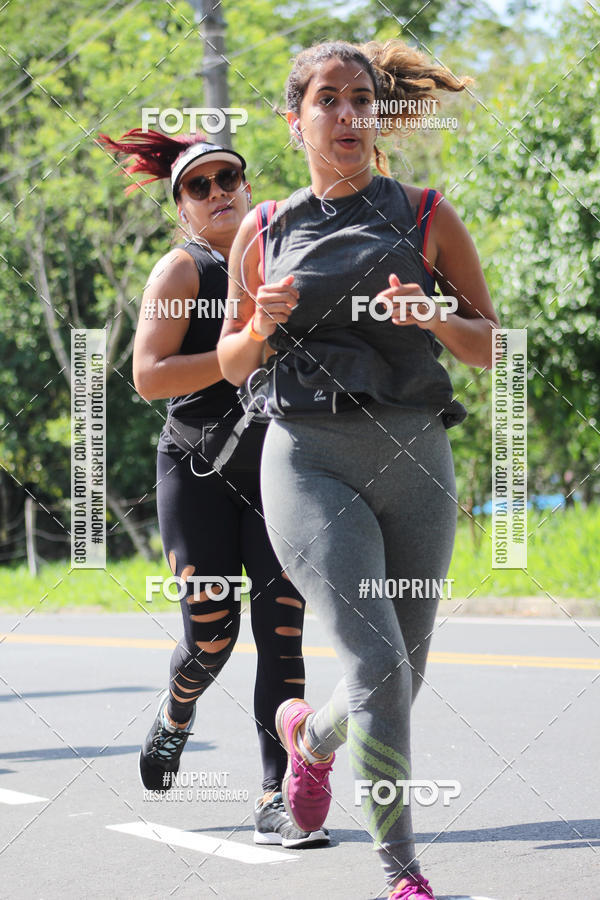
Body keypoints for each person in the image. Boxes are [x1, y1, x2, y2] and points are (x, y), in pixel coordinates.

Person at [217, 39, 500, 899]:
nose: (348, 114)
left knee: (403, 671)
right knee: (377, 667)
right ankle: (402, 873)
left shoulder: (425, 213)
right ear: (296, 117)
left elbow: (495, 349)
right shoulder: (264, 230)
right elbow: (232, 363)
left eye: (362, 98)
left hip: (417, 453)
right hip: (307, 459)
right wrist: (258, 326)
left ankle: (307, 740)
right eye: (328, 100)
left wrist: (436, 314)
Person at [99, 127, 329, 848]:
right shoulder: (183, 271)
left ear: (248, 185)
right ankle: (175, 714)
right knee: (211, 638)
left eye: (229, 177)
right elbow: (148, 377)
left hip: (276, 476)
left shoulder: (284, 260)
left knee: (282, 637)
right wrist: (241, 348)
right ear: (182, 208)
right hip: (196, 472)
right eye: (199, 186)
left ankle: (276, 795)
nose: (218, 192)